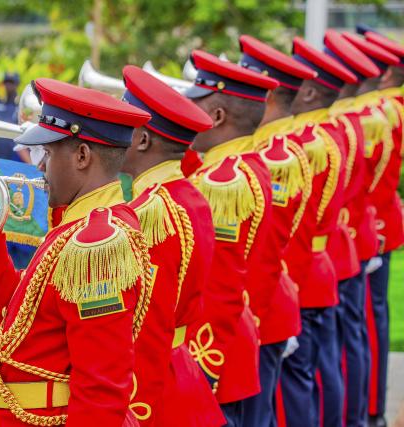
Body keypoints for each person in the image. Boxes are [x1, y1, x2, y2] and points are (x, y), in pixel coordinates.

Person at [0, 78, 154, 426]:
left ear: (82, 156)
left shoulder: (95, 243)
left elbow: (100, 390)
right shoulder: (78, 227)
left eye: (49, 153)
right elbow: (14, 313)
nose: (39, 166)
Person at [119, 65, 224, 427]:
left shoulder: (151, 212)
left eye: (124, 129)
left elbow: (147, 321)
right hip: (179, 368)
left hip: (154, 386)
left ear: (144, 141)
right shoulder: (186, 194)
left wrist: (132, 401)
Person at [182, 49, 279, 427]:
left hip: (213, 346)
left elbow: (220, 285)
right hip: (235, 336)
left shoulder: (222, 183)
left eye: (195, 105)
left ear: (217, 116)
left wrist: (205, 362)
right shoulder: (237, 167)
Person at [238, 34, 317, 427]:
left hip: (260, 308)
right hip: (264, 304)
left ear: (263, 96)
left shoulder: (276, 156)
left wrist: (251, 317)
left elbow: (268, 249)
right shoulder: (279, 147)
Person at [278, 36, 356, 427]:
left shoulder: (300, 145)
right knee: (319, 368)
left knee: (299, 383)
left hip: (300, 270)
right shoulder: (328, 133)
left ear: (307, 91)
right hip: (317, 262)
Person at [324, 30, 394, 427]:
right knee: (362, 325)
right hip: (363, 226)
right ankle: (368, 411)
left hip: (350, 230)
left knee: (352, 332)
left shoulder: (355, 122)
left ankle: (366, 413)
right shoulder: (379, 112)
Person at [351, 26, 404, 427]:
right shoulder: (389, 108)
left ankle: (371, 411)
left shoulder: (378, 113)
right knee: (370, 320)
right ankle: (371, 410)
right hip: (375, 220)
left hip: (365, 224)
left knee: (366, 321)